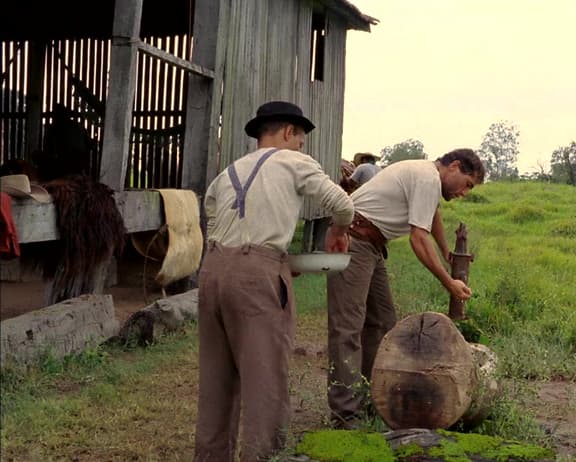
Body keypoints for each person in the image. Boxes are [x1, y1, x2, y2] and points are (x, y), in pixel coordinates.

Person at [195, 101, 354, 461]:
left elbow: (213, 224)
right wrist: (339, 232)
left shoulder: (227, 173)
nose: (301, 147)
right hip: (257, 276)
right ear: (287, 132)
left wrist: (274, 260)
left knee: (215, 381)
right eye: (300, 140)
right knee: (264, 377)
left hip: (213, 271)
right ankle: (262, 456)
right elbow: (343, 205)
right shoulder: (294, 161)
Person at [326, 148, 486, 428]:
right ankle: (345, 415)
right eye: (468, 184)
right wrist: (448, 282)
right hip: (352, 240)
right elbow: (418, 238)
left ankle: (369, 399)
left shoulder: (427, 179)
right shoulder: (426, 178)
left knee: (382, 322)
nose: (465, 193)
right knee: (347, 327)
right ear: (455, 166)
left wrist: (447, 252)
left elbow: (431, 214)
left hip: (372, 245)